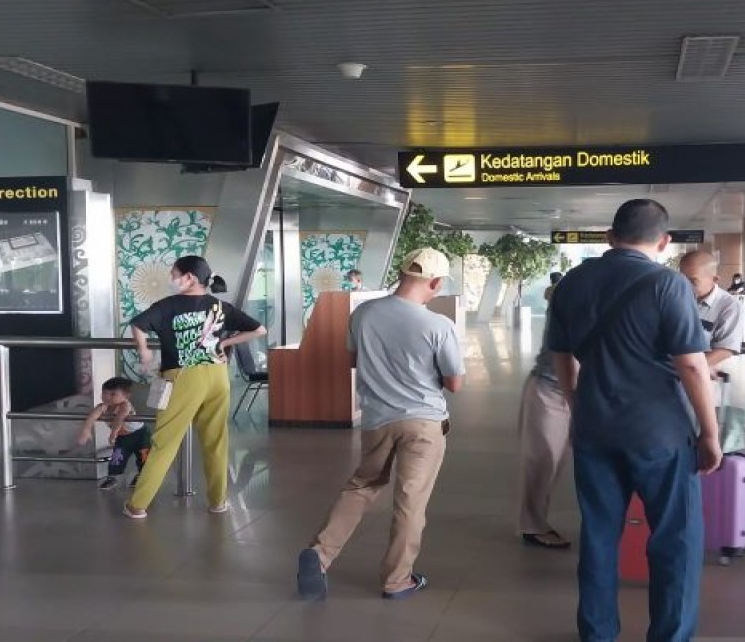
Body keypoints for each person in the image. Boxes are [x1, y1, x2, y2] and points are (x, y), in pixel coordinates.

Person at [549, 199, 722, 642]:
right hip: (659, 432)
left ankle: (598, 634)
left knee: (600, 536)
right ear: (664, 241)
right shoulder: (668, 284)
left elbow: (562, 358)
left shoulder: (572, 282)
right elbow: (691, 365)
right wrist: (710, 432)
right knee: (675, 541)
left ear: (610, 237)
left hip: (594, 428)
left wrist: (577, 407)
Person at [297, 248, 464, 601]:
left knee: (361, 486)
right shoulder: (438, 325)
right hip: (423, 423)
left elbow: (354, 359)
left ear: (402, 275)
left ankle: (319, 553)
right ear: (434, 283)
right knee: (410, 502)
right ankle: (396, 579)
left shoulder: (363, 313)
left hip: (377, 420)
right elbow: (455, 383)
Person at [124, 256, 266, 519]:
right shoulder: (220, 306)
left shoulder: (169, 305)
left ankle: (138, 504)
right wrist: (223, 345)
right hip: (217, 376)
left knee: (165, 442)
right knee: (215, 441)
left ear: (189, 277)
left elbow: (137, 324)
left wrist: (144, 352)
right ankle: (218, 501)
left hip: (183, 378)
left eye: (174, 273)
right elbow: (259, 330)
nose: (172, 278)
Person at [518, 286, 571, 549]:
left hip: (592, 392)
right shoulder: (571, 297)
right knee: (544, 460)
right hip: (551, 389)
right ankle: (533, 525)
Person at [678, 250, 745, 452]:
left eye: (693, 281)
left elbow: (726, 348)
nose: (686, 286)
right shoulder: (675, 299)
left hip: (708, 384)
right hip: (676, 381)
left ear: (714, 279)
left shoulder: (728, 305)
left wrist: (691, 368)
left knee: (704, 440)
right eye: (681, 279)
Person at [76, 377, 150, 491]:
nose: (107, 397)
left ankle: (142, 476)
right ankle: (112, 477)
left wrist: (113, 433)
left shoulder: (125, 405)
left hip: (140, 434)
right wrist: (86, 430)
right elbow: (92, 416)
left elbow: (120, 418)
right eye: (105, 393)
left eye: (113, 394)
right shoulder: (103, 406)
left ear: (126, 396)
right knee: (117, 457)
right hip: (123, 437)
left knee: (144, 457)